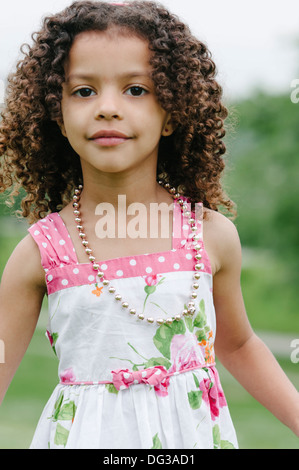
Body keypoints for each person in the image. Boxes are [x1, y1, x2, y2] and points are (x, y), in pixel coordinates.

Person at [0, 0, 298, 450]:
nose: (107, 108)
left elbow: (237, 345)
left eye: (136, 90)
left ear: (172, 113)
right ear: (56, 117)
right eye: (83, 91)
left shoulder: (211, 236)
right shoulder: (41, 253)